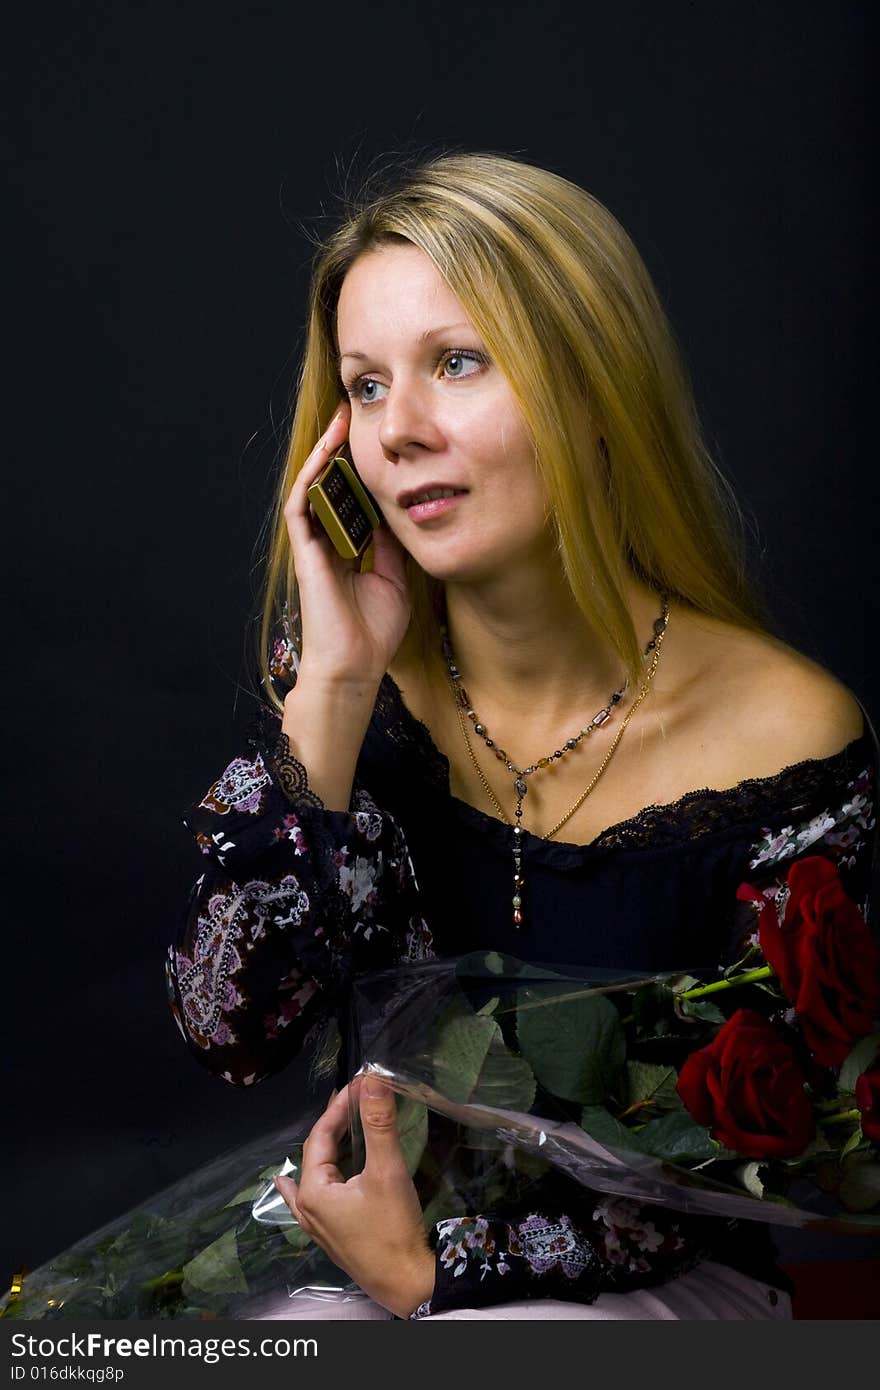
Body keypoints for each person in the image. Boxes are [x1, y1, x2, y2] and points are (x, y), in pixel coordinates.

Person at [167, 150, 878, 1320]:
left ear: (594, 389)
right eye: (366, 385)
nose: (396, 434)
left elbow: (771, 1142)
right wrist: (336, 685)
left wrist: (444, 1280)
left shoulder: (786, 735)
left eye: (455, 364)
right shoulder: (346, 683)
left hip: (655, 1280)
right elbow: (229, 1032)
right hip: (375, 1249)